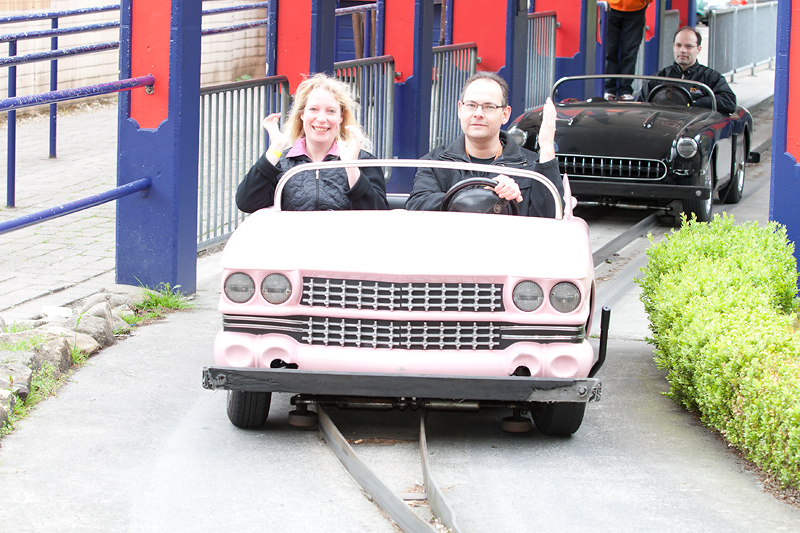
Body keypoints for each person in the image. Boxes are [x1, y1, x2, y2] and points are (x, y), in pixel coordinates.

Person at [405, 72, 564, 219]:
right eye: (471, 105)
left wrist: (547, 149)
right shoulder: (435, 163)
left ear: (505, 114)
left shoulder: (530, 167)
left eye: (489, 107)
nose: (478, 113)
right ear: (460, 109)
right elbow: (416, 206)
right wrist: (482, 194)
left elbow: (551, 218)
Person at [236, 73, 388, 212]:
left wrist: (351, 168)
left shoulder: (363, 161)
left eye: (331, 111)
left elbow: (378, 213)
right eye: (314, 109)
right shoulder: (282, 163)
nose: (321, 119)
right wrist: (275, 148)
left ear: (341, 117)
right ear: (302, 114)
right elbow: (246, 202)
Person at [642, 26, 737, 115]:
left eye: (688, 46)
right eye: (678, 45)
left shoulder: (711, 77)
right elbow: (639, 106)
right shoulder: (659, 78)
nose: (682, 50)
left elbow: (729, 102)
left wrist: (693, 103)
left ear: (698, 49)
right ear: (673, 47)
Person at [604, 0, 652, 101]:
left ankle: (625, 90)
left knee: (630, 53)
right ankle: (609, 88)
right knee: (609, 50)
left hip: (636, 8)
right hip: (610, 7)